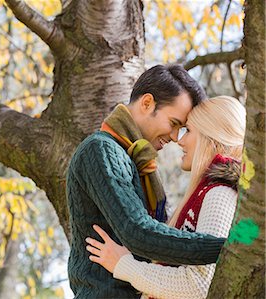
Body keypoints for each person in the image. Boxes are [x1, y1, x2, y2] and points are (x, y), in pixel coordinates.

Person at [66, 64, 226, 298]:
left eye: (181, 129)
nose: (174, 137)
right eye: (173, 124)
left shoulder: (140, 164)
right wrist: (230, 247)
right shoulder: (101, 150)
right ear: (147, 103)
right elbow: (138, 232)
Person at [85, 96, 244, 299]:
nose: (181, 140)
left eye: (189, 131)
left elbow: (199, 285)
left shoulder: (219, 194)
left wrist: (123, 265)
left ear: (211, 137)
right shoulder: (211, 193)